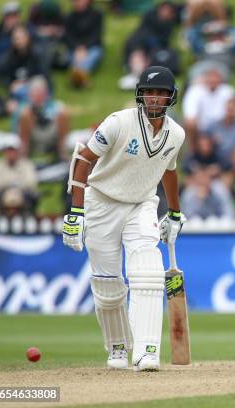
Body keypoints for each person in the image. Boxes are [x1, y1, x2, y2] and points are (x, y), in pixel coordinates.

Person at [62, 66, 185, 371]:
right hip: (102, 202)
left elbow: (169, 170)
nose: (155, 98)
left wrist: (174, 212)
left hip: (142, 204)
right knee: (108, 287)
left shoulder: (177, 134)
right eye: (149, 92)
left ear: (171, 96)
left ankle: (147, 352)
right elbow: (83, 160)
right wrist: (76, 212)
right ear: (140, 94)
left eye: (161, 93)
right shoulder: (119, 122)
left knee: (149, 272)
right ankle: (118, 347)